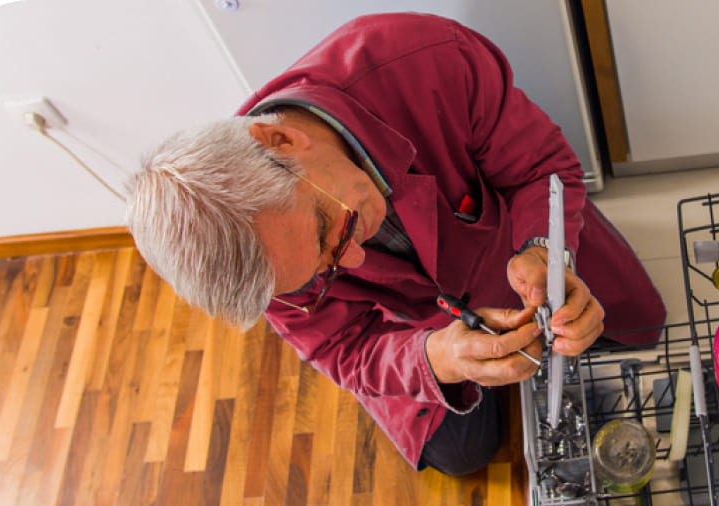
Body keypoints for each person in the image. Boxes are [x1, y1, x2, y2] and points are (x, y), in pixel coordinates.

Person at [127, 12, 666, 476]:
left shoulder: (423, 60)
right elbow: (341, 347)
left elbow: (542, 168)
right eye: (325, 270)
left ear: (283, 142)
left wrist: (543, 251)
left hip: (512, 244)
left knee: (640, 328)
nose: (358, 261)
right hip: (417, 327)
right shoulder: (261, 251)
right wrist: (439, 355)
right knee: (462, 452)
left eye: (327, 231)